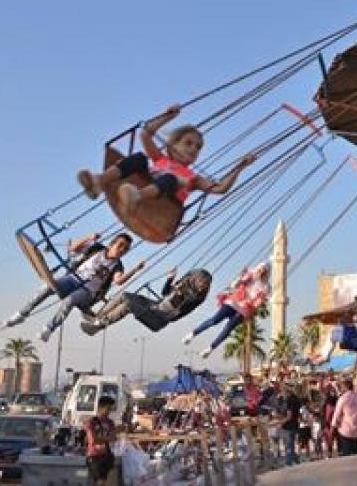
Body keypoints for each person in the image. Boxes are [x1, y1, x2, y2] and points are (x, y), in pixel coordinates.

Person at [78, 104, 256, 219]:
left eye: (198, 147)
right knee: (140, 158)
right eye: (188, 143)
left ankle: (137, 197)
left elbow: (220, 188)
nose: (194, 149)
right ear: (172, 145)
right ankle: (99, 181)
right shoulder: (160, 159)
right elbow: (145, 134)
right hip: (141, 184)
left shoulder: (194, 178)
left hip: (164, 205)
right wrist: (167, 117)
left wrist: (239, 167)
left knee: (173, 179)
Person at [16, 233, 144, 342]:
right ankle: (22, 313)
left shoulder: (118, 266)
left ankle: (49, 328)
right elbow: (73, 248)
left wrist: (135, 270)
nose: (122, 250)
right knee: (48, 287)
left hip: (88, 292)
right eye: (120, 245)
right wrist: (89, 238)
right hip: (73, 279)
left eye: (125, 249)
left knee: (70, 300)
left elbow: (118, 280)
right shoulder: (97, 248)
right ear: (112, 244)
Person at [81, 267, 212, 335]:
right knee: (124, 296)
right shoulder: (183, 286)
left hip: (160, 316)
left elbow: (182, 308)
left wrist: (180, 294)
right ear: (194, 279)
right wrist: (170, 279)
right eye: (201, 281)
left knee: (128, 303)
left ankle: (99, 325)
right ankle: (97, 318)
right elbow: (164, 293)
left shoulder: (195, 298)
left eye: (205, 284)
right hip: (156, 306)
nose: (202, 285)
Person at [183, 262, 270, 358]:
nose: (260, 272)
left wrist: (251, 306)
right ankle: (192, 334)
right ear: (257, 269)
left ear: (266, 273)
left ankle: (210, 349)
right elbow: (234, 285)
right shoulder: (249, 275)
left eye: (263, 271)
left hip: (243, 310)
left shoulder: (265, 287)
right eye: (260, 270)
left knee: (227, 329)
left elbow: (258, 303)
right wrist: (241, 279)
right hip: (233, 302)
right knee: (214, 320)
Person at [85, 395, 118, 486]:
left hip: (107, 456)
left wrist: (110, 437)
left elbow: (114, 438)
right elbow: (93, 440)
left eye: (111, 409)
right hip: (95, 456)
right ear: (100, 407)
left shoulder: (110, 422)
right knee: (100, 482)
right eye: (108, 409)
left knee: (108, 482)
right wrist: (108, 438)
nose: (109, 412)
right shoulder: (91, 422)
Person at [332, 378, 357, 456]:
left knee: (346, 452)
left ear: (345, 387)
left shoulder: (343, 399)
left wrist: (333, 425)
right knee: (356, 451)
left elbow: (337, 413)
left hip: (345, 429)